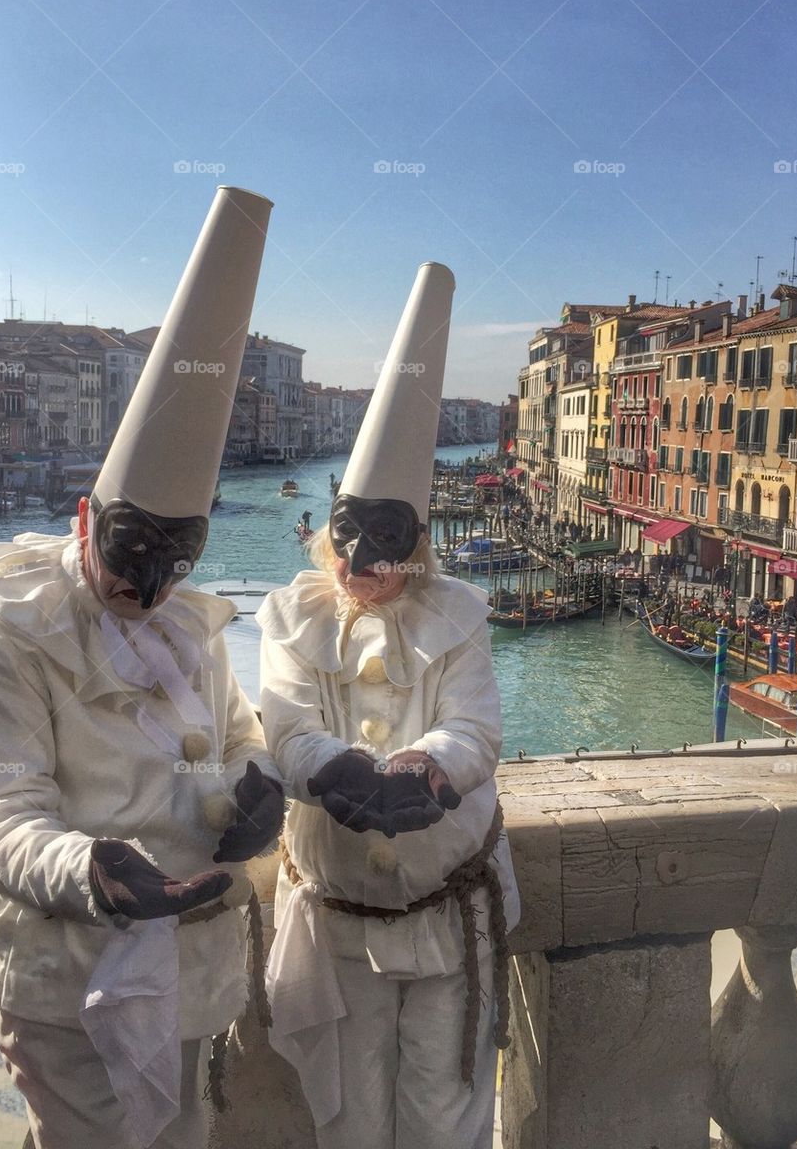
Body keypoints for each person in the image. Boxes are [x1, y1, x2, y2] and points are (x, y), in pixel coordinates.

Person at [0, 188, 285, 1149]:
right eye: (134, 552)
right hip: (64, 980)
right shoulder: (9, 632)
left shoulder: (186, 619)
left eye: (180, 558)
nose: (152, 584)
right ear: (86, 519)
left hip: (186, 968)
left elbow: (237, 731)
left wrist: (258, 784)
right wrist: (89, 869)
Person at [257, 264, 519, 1149]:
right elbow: (287, 722)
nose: (366, 560)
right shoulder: (290, 620)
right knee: (350, 1121)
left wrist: (431, 767)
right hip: (335, 929)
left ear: (419, 542)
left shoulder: (461, 617)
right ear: (330, 529)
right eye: (350, 534)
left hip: (449, 922)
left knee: (446, 1120)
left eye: (388, 539)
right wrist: (326, 768)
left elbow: (475, 725)